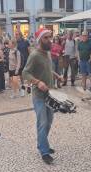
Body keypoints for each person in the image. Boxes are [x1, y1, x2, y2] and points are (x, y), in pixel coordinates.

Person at [22, 28, 64, 164]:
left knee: (49, 122)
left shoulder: (47, 53)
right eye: (46, 38)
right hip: (39, 95)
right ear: (40, 39)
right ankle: (44, 151)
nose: (49, 40)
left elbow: (47, 68)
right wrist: (37, 82)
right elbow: (25, 73)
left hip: (50, 95)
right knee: (43, 122)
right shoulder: (34, 55)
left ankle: (41, 144)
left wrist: (57, 75)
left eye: (50, 37)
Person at [15, 31, 30, 96]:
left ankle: (29, 86)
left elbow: (29, 50)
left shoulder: (26, 42)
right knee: (20, 75)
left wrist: (30, 59)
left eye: (17, 34)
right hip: (20, 61)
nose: (16, 36)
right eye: (15, 35)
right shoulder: (16, 43)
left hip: (26, 59)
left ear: (20, 35)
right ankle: (23, 86)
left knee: (27, 73)